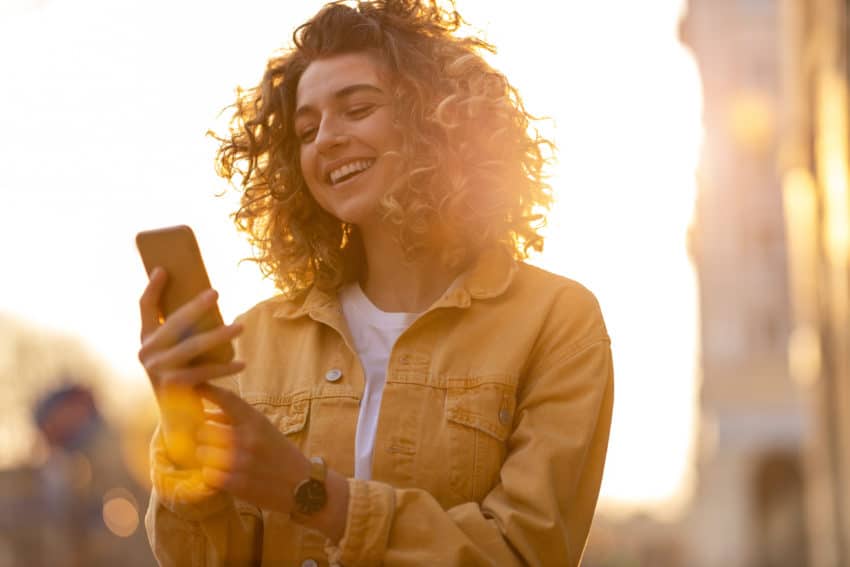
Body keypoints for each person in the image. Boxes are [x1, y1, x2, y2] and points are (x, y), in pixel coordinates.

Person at [139, 1, 614, 565]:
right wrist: (183, 427)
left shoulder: (556, 321)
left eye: (357, 109)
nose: (326, 140)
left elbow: (524, 551)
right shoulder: (257, 339)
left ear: (435, 117)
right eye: (307, 129)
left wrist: (312, 493)